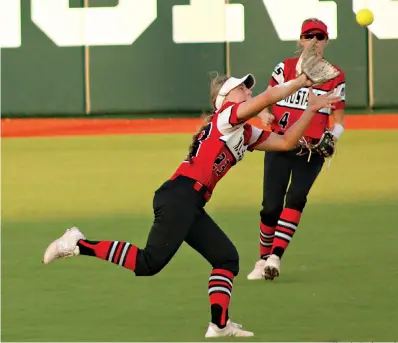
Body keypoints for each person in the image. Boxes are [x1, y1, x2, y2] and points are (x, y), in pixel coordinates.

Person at [43, 68, 340, 337]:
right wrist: (301, 81)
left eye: (247, 89)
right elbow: (265, 99)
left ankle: (219, 324)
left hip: (190, 201)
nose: (248, 92)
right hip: (180, 196)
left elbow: (286, 143)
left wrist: (311, 108)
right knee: (149, 263)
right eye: (242, 89)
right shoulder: (226, 117)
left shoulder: (245, 132)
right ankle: (77, 243)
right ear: (225, 99)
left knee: (226, 258)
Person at [247, 18, 346, 281]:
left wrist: (333, 137)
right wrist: (265, 115)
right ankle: (262, 258)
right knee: (270, 207)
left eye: (320, 36)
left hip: (311, 149)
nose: (314, 40)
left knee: (296, 198)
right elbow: (266, 99)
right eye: (309, 35)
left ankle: (275, 257)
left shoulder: (335, 75)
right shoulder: (285, 68)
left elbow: (339, 121)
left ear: (326, 41)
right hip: (279, 142)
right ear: (301, 40)